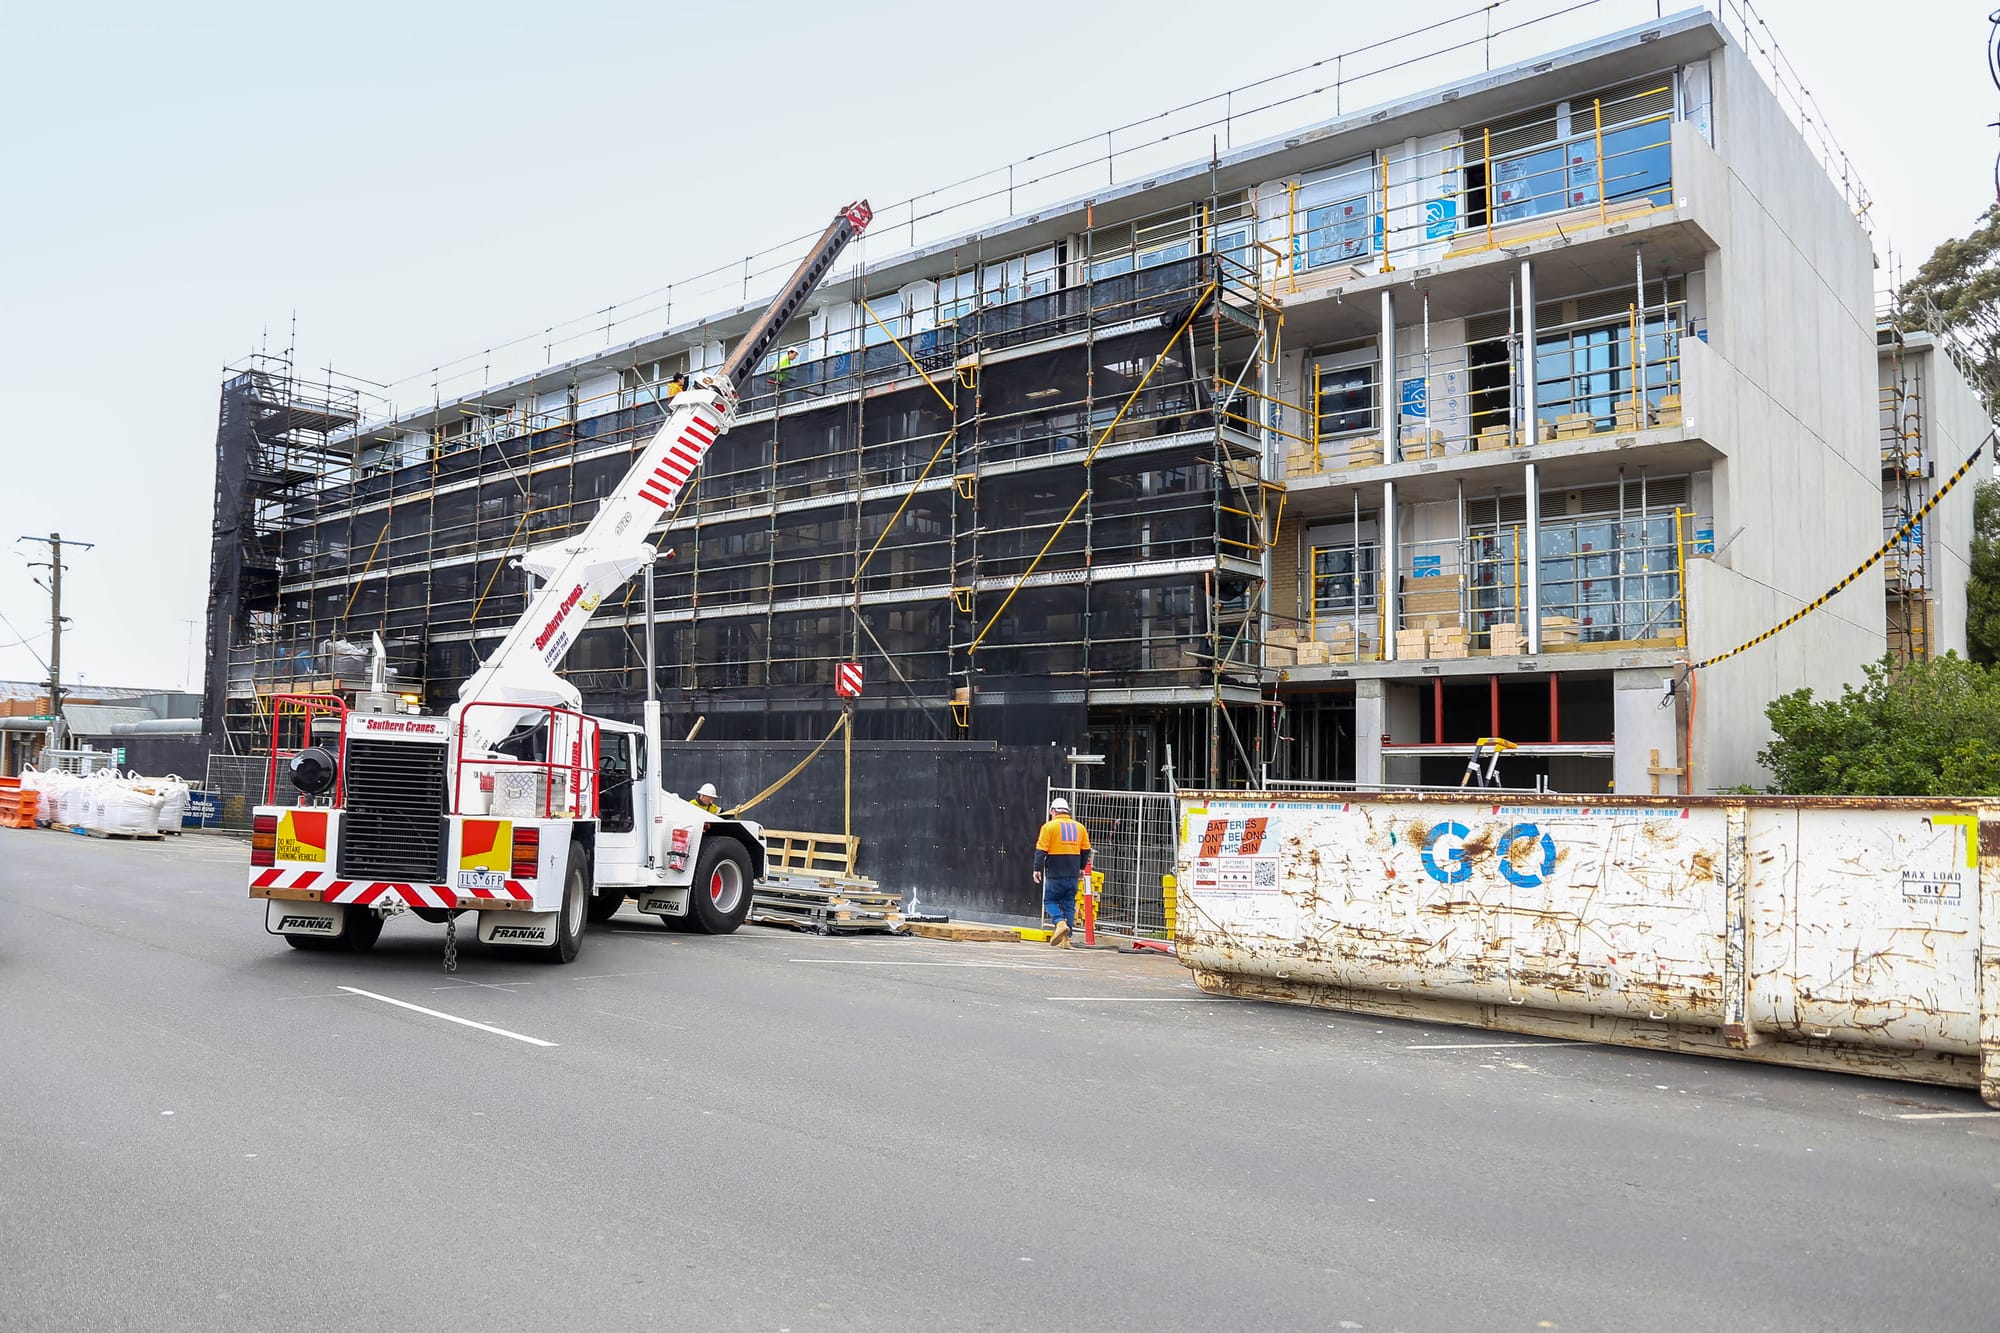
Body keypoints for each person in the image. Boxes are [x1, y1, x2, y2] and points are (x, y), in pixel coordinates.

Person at [1032, 796, 1092, 948]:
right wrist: (1081, 868)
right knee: (1069, 905)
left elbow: (1041, 850)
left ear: (1053, 811)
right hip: (1072, 873)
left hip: (1055, 872)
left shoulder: (1049, 827)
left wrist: (1037, 869)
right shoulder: (1080, 827)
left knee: (1050, 901)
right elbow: (1086, 850)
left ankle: (1059, 923)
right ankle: (1066, 940)